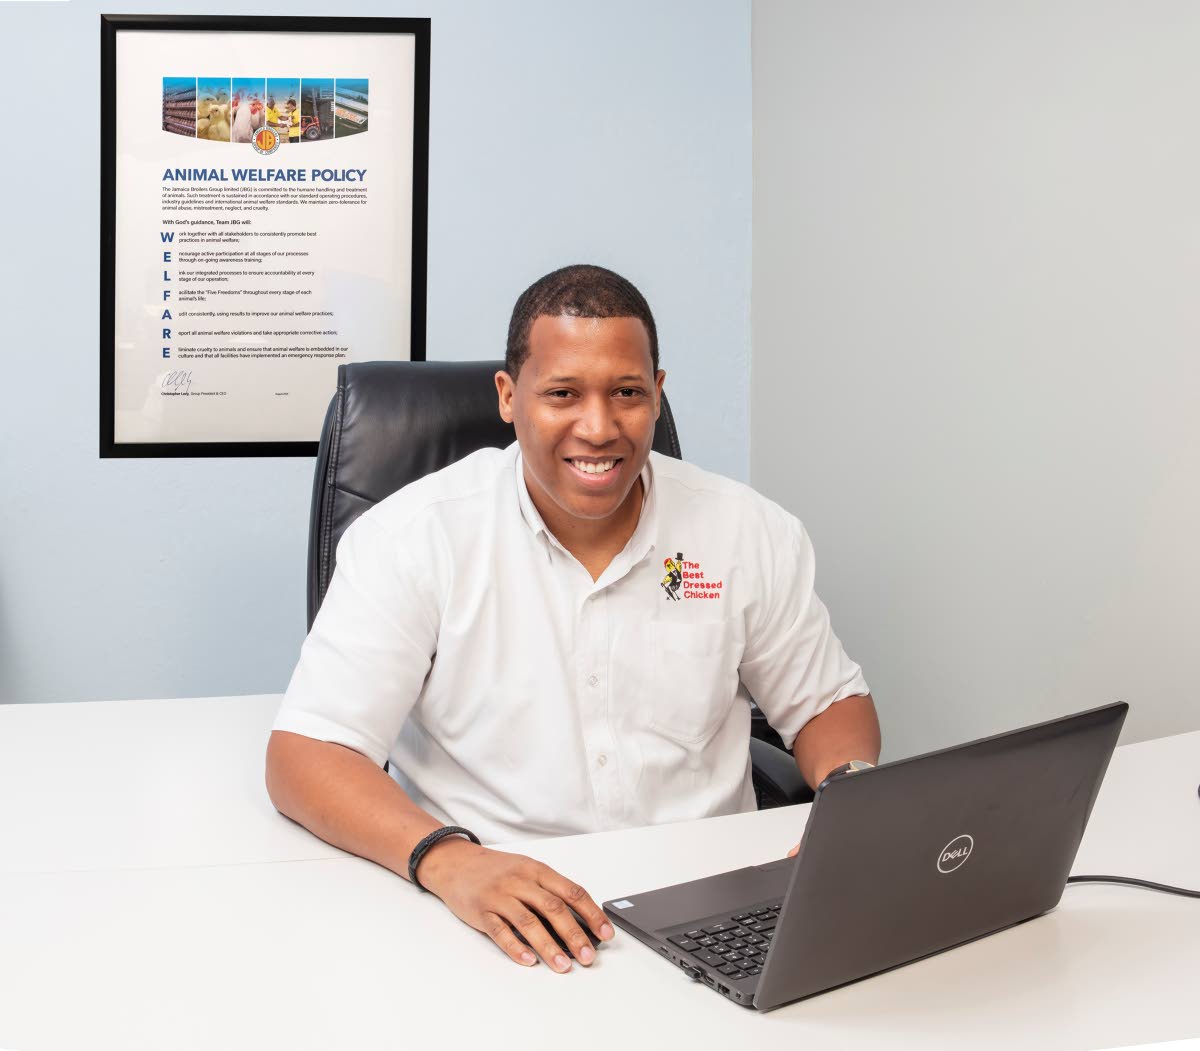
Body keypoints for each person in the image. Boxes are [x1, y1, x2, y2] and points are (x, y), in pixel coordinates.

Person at [266, 264, 881, 977]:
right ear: (509, 396)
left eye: (627, 393)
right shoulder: (415, 538)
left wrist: (849, 803)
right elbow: (309, 754)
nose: (599, 426)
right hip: (493, 909)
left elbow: (827, 703)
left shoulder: (744, 531)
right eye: (563, 393)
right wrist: (450, 859)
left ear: (658, 393)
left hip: (713, 906)